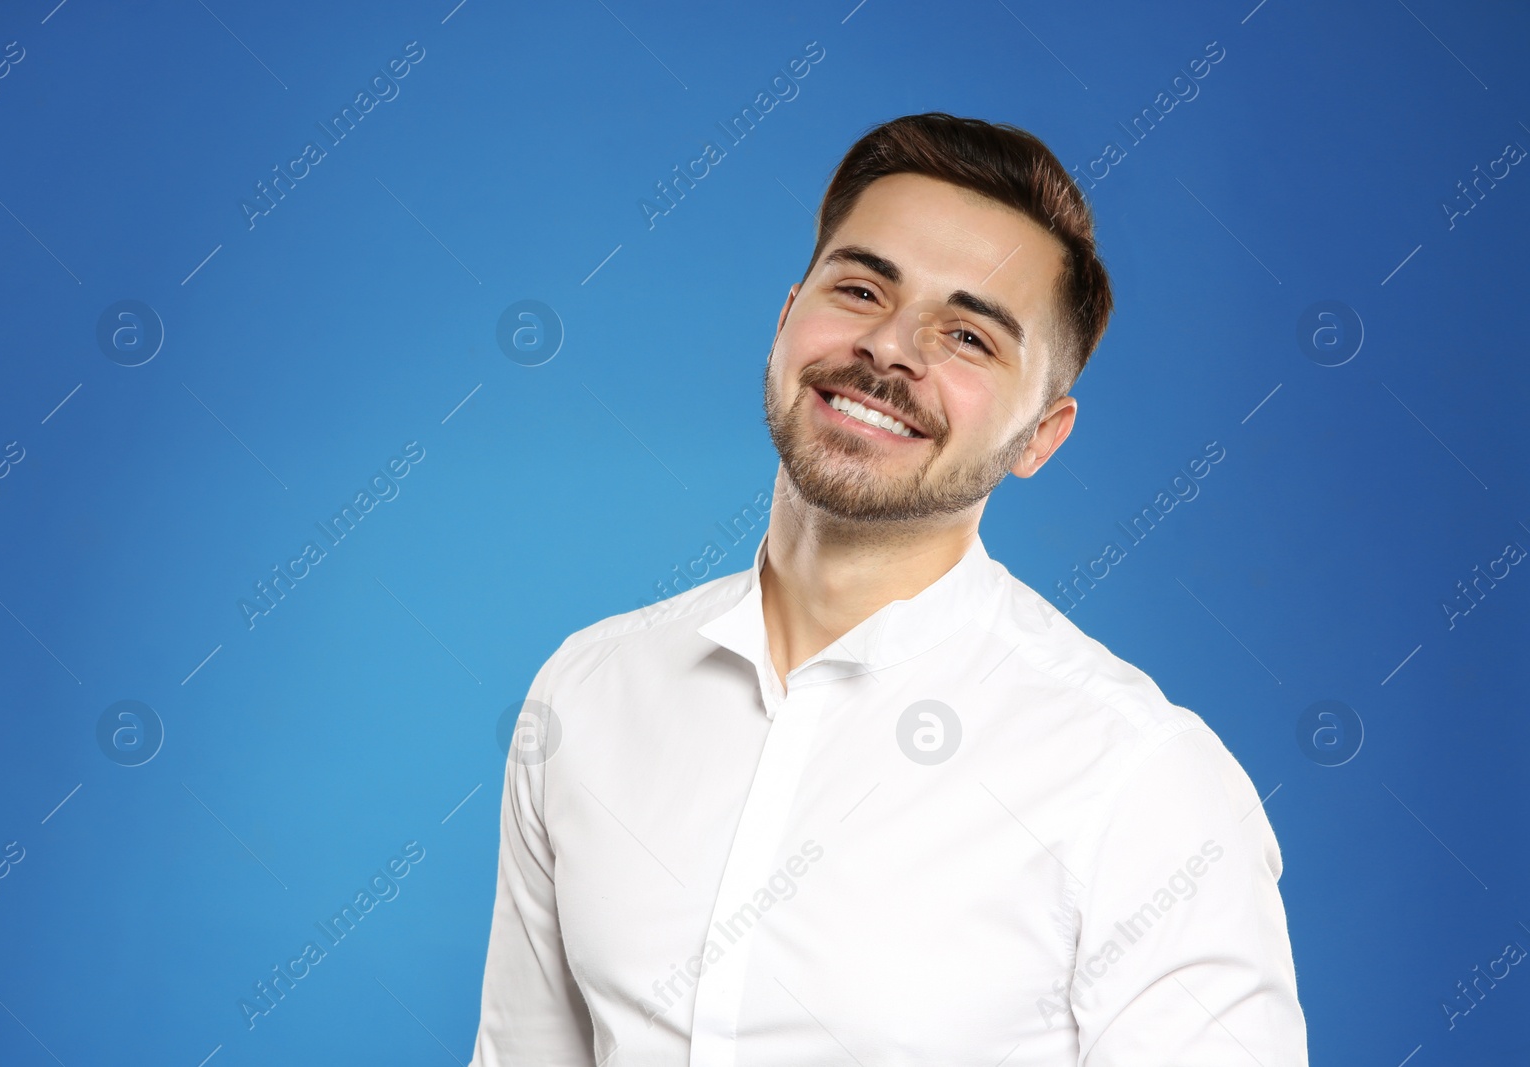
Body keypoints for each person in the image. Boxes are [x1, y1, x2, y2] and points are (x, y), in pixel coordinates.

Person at [468, 112, 1309, 1066]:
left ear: (1043, 435)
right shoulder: (588, 689)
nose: (892, 347)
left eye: (969, 336)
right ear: (788, 317)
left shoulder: (1142, 779)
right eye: (862, 287)